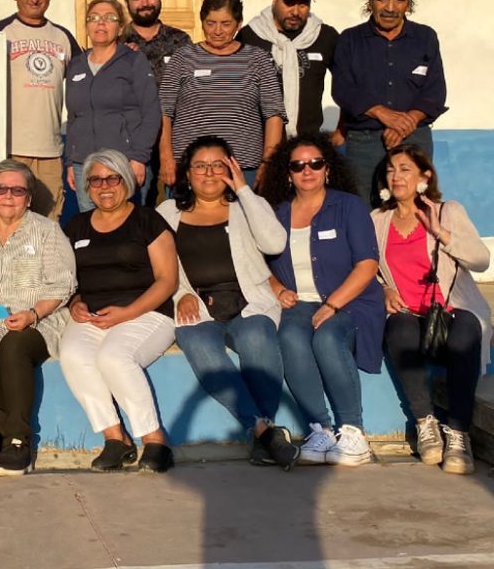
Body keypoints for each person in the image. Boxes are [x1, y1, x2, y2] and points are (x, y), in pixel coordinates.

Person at [158, 135, 299, 470]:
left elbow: (275, 242)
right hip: (197, 306)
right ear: (187, 173)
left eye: (218, 165)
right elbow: (160, 266)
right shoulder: (166, 212)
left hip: (249, 303)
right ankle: (265, 431)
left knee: (255, 337)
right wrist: (182, 294)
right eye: (200, 166)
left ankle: (261, 432)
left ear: (231, 168)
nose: (209, 173)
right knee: (198, 343)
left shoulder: (248, 205)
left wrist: (245, 190)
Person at [262, 134, 386, 467]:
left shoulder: (348, 206)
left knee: (328, 339)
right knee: (288, 337)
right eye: (298, 165)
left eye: (315, 163)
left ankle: (354, 431)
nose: (308, 170)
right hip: (299, 304)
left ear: (327, 168)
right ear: (287, 174)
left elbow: (367, 265)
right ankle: (321, 429)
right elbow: (256, 262)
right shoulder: (277, 214)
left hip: (351, 301)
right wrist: (276, 287)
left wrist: (333, 305)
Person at [372, 144, 491, 475]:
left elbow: (481, 260)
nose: (397, 176)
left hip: (453, 311)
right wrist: (384, 290)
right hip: (410, 313)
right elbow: (370, 268)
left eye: (406, 169)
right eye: (392, 169)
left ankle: (458, 432)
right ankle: (425, 422)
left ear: (425, 176)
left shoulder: (447, 211)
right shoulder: (378, 220)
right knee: (398, 328)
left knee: (467, 330)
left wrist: (441, 233)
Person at [60, 149, 179, 474]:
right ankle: (116, 438)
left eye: (112, 177)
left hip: (148, 312)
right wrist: (75, 303)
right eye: (95, 179)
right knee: (71, 353)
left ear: (126, 180)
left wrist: (127, 313)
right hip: (94, 315)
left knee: (113, 358)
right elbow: (70, 281)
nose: (104, 185)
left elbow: (167, 281)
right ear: (86, 186)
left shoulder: (147, 219)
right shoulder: (77, 226)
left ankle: (155, 441)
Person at [0, 159, 77, 476]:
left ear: (28, 198)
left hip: (40, 318)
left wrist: (32, 313)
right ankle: (0, 432)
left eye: (18, 190)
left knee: (14, 347)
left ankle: (17, 440)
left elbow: (64, 284)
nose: (9, 196)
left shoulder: (47, 231)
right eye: (2, 188)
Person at [332, 0, 448, 207]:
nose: (390, 7)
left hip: (416, 139)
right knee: (363, 210)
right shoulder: (350, 40)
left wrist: (405, 123)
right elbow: (343, 89)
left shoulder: (426, 37)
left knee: (417, 208)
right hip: (364, 143)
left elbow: (435, 91)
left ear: (409, 4)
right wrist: (384, 114)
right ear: (370, 1)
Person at [160, 0, 285, 192]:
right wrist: (166, 157)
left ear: (239, 24)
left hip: (244, 168)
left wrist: (267, 163)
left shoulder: (258, 59)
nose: (217, 30)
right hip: (192, 169)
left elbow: (274, 115)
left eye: (226, 24)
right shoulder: (182, 58)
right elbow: (164, 112)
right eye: (211, 23)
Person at [0, 0, 82, 220]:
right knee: (9, 222)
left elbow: (90, 81)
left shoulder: (63, 37)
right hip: (10, 150)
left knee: (48, 225)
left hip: (50, 153)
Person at [65, 0, 160, 211]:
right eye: (94, 18)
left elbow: (152, 112)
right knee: (93, 228)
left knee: (129, 231)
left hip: (124, 163)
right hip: (85, 165)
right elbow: (73, 118)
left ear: (120, 28)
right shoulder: (76, 66)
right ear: (87, 26)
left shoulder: (134, 61)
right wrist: (71, 162)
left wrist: (139, 158)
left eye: (109, 18)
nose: (101, 23)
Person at [238, 0, 342, 141]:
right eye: (289, 3)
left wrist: (341, 129)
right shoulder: (251, 35)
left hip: (308, 143)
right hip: (258, 143)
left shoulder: (324, 36)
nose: (295, 11)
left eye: (303, 4)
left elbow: (347, 82)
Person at [120, 0, 192, 205]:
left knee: (180, 205)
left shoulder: (180, 41)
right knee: (136, 208)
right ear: (127, 2)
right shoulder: (117, 44)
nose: (145, 3)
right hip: (133, 140)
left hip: (177, 138)